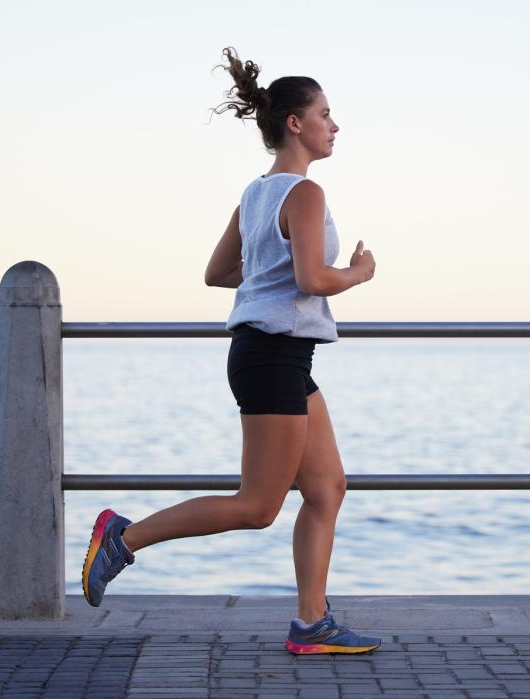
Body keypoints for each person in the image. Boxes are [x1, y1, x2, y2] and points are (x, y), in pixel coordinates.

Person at [81, 47, 379, 655]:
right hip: (272, 357)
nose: (335, 124)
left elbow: (220, 273)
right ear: (295, 124)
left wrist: (273, 269)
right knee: (257, 505)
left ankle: (311, 624)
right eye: (326, 113)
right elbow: (311, 282)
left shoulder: (255, 193)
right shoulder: (304, 193)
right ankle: (123, 537)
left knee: (326, 490)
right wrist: (357, 273)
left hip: (280, 358)